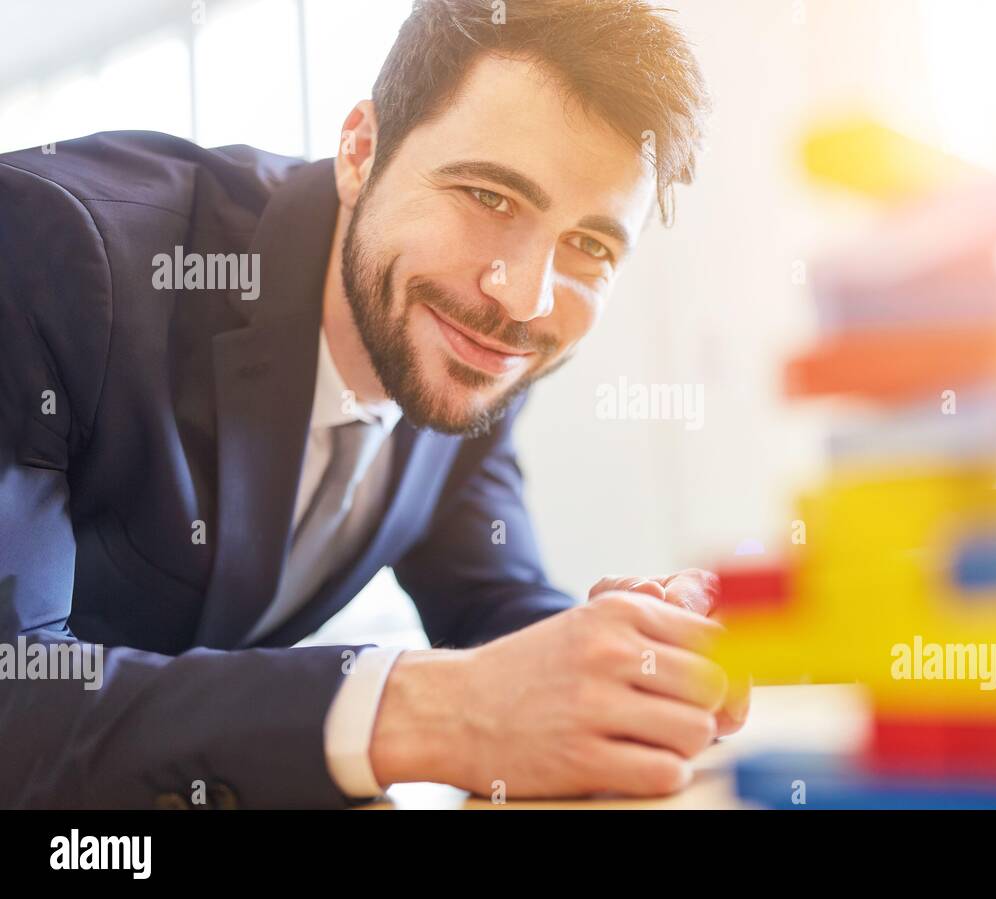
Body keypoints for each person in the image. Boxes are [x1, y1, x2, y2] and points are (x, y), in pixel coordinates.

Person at [0, 0, 748, 809]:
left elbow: (490, 598)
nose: (527, 298)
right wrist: (423, 706)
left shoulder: (475, 346)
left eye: (591, 246)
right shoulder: (52, 248)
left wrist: (622, 659)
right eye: (490, 197)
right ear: (360, 150)